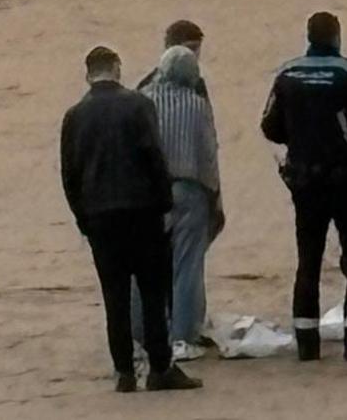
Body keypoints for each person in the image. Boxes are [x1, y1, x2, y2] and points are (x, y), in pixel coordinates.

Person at [59, 46, 202, 393]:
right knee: (154, 292)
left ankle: (124, 371)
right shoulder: (138, 105)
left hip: (100, 218)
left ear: (88, 73)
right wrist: (165, 203)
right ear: (118, 69)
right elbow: (154, 157)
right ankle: (160, 367)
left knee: (115, 296)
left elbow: (69, 174)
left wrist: (82, 218)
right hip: (142, 212)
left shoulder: (74, 116)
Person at [260, 12, 347, 362]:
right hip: (346, 176)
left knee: (308, 257)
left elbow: (269, 126)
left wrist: (300, 139)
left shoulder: (287, 73)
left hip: (303, 178)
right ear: (336, 36)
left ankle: (306, 341)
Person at [131, 46, 224, 361]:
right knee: (187, 266)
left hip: (146, 195)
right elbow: (208, 157)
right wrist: (215, 199)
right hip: (189, 190)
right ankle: (183, 336)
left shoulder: (140, 103)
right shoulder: (198, 106)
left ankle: (141, 334)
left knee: (142, 267)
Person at [138, 20, 211, 100]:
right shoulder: (147, 86)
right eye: (189, 48)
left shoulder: (199, 85)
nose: (193, 54)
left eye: (196, 48)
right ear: (169, 48)